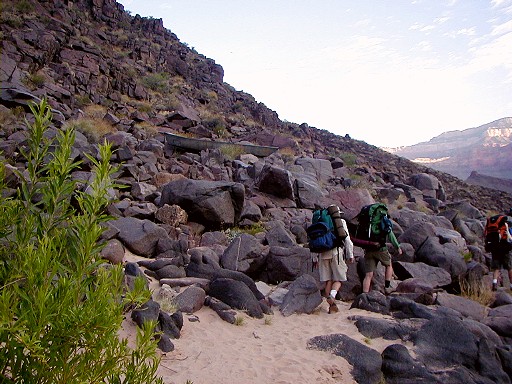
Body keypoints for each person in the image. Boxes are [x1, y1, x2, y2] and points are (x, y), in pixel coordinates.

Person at [313, 218, 354, 314]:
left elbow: (313, 239)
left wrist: (314, 258)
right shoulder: (340, 221)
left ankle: (331, 306)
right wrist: (350, 255)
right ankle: (332, 295)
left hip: (322, 254)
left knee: (328, 281)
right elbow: (347, 240)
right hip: (336, 253)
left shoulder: (319, 221)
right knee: (338, 280)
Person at [362, 229, 402, 294]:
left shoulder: (367, 221)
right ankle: (387, 287)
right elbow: (390, 234)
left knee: (368, 275)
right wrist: (397, 247)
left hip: (368, 249)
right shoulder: (383, 220)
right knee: (389, 265)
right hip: (381, 249)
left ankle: (364, 294)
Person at [491, 210, 512, 291]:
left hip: (495, 248)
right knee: (510, 267)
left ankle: (494, 283)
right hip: (506, 248)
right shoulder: (510, 224)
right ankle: (511, 285)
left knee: (496, 267)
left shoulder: (499, 221)